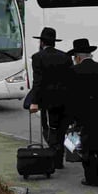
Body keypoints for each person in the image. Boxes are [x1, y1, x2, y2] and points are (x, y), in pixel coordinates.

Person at [64, 38, 98, 187]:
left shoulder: (73, 72)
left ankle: (92, 178)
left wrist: (71, 118)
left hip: (84, 117)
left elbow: (70, 97)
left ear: (77, 57)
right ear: (90, 55)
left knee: (87, 149)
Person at [27, 27, 73, 168]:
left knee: (49, 129)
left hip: (47, 102)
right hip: (64, 100)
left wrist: (34, 102)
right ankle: (60, 157)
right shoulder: (65, 57)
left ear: (41, 42)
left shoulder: (37, 57)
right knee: (62, 129)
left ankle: (54, 155)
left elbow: (38, 82)